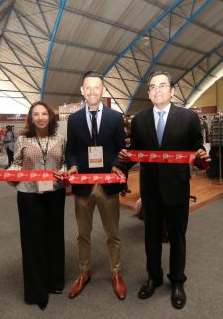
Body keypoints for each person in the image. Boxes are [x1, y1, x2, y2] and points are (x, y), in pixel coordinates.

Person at [119, 70, 209, 310]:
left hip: (177, 188)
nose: (157, 90)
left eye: (162, 86)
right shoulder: (139, 121)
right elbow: (136, 152)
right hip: (150, 190)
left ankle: (177, 281)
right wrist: (123, 160)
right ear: (148, 93)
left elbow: (197, 149)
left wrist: (202, 156)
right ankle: (154, 277)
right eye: (152, 87)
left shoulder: (188, 118)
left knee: (178, 238)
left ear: (171, 90)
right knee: (151, 237)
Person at [65, 71, 127, 300]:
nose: (92, 91)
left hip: (107, 185)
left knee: (113, 233)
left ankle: (116, 272)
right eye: (88, 87)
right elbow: (70, 150)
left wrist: (116, 165)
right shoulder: (74, 119)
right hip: (83, 186)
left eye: (96, 87)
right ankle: (84, 272)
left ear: (103, 90)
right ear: (82, 90)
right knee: (83, 234)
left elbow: (121, 150)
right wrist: (71, 166)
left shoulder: (115, 117)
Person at [9, 102, 67, 311]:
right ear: (31, 118)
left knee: (54, 236)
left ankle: (55, 282)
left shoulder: (60, 139)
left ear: (50, 117)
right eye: (36, 114)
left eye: (44, 114)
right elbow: (17, 162)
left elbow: (65, 163)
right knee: (33, 241)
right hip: (28, 194)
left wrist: (66, 171)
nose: (41, 117)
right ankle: (36, 289)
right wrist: (9, 173)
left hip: (55, 193)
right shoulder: (23, 139)